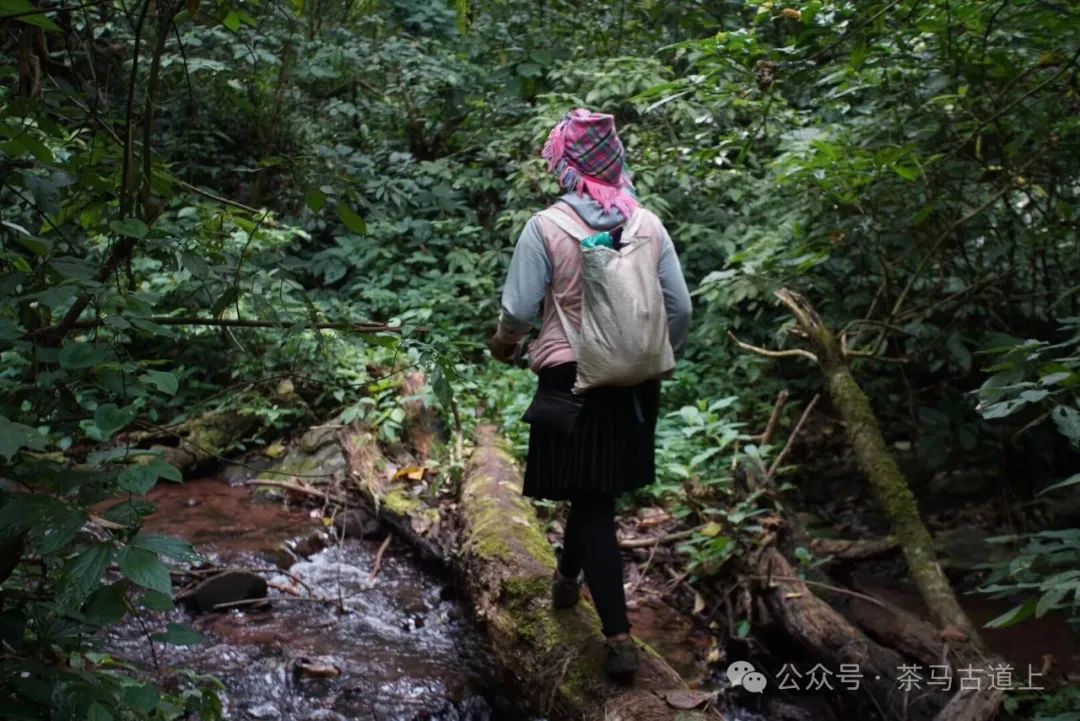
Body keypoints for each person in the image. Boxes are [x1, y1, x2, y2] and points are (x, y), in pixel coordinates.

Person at [489, 108, 692, 681]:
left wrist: (504, 345)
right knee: (596, 491)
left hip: (572, 377)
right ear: (617, 161)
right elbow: (680, 308)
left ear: (566, 164)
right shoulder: (649, 224)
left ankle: (618, 636)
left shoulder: (545, 227)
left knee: (594, 497)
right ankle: (564, 580)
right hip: (635, 381)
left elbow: (518, 311)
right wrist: (653, 356)